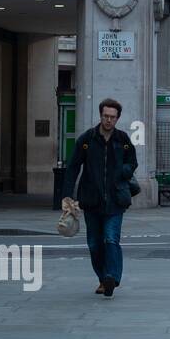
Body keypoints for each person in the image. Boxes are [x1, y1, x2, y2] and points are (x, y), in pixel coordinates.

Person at [63, 98, 138, 298]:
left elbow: (133, 162)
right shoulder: (87, 139)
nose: (108, 120)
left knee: (111, 239)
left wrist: (124, 171)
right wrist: (67, 195)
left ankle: (111, 277)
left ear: (117, 118)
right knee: (94, 244)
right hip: (91, 199)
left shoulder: (122, 140)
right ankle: (103, 278)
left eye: (112, 117)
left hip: (115, 200)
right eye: (105, 116)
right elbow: (73, 167)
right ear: (100, 115)